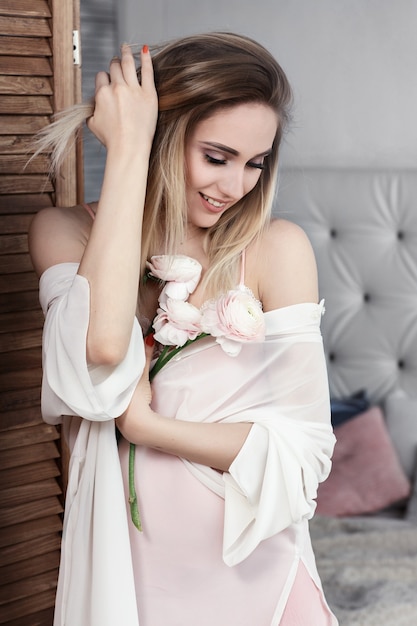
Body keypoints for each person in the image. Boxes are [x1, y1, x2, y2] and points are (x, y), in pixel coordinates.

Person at [29, 32, 338, 626]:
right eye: (216, 157)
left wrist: (148, 426)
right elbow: (98, 355)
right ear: (158, 136)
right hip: (129, 582)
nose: (235, 186)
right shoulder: (62, 232)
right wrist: (126, 154)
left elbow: (304, 454)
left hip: (261, 579)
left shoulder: (275, 249)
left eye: (255, 163)